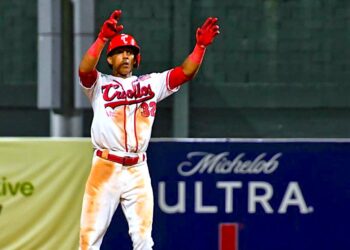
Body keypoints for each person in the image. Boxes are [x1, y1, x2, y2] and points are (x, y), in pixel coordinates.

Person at [78, 9, 220, 250]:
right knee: (89, 240)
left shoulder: (150, 84)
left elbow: (185, 72)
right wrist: (102, 39)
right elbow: (84, 70)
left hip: (137, 167)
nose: (125, 56)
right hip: (105, 166)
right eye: (119, 52)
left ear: (136, 59)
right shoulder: (99, 85)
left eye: (129, 53)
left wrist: (200, 47)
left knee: (144, 240)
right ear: (110, 59)